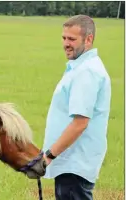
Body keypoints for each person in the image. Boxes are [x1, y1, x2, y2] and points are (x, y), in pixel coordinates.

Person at [42, 15, 111, 200]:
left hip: (74, 163)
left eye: (72, 39)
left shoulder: (86, 72)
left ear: (88, 39)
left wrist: (48, 156)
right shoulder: (80, 67)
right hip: (70, 162)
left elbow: (80, 123)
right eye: (64, 38)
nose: (66, 43)